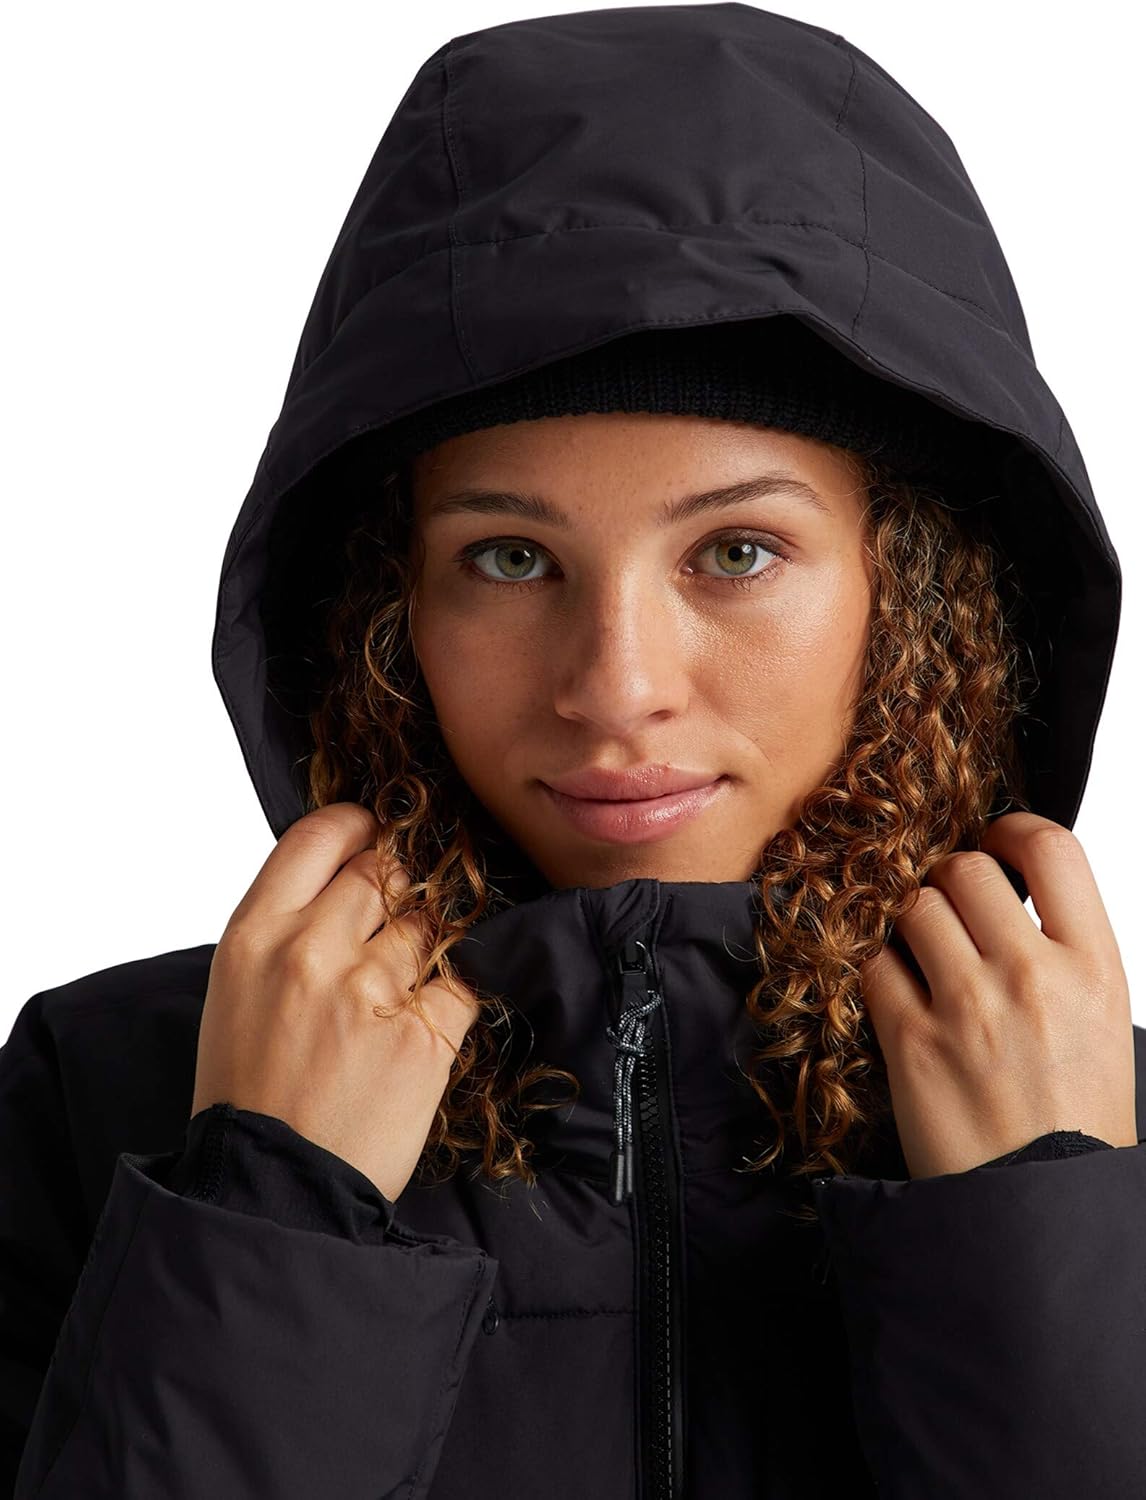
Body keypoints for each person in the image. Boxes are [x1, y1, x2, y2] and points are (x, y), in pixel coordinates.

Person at [2, 5, 1142, 1497]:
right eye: (510, 559)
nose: (616, 690)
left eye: (736, 550)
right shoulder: (110, 1101)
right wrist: (273, 1211)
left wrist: (1048, 1227)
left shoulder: (1108, 1128)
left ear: (919, 593)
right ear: (381, 601)